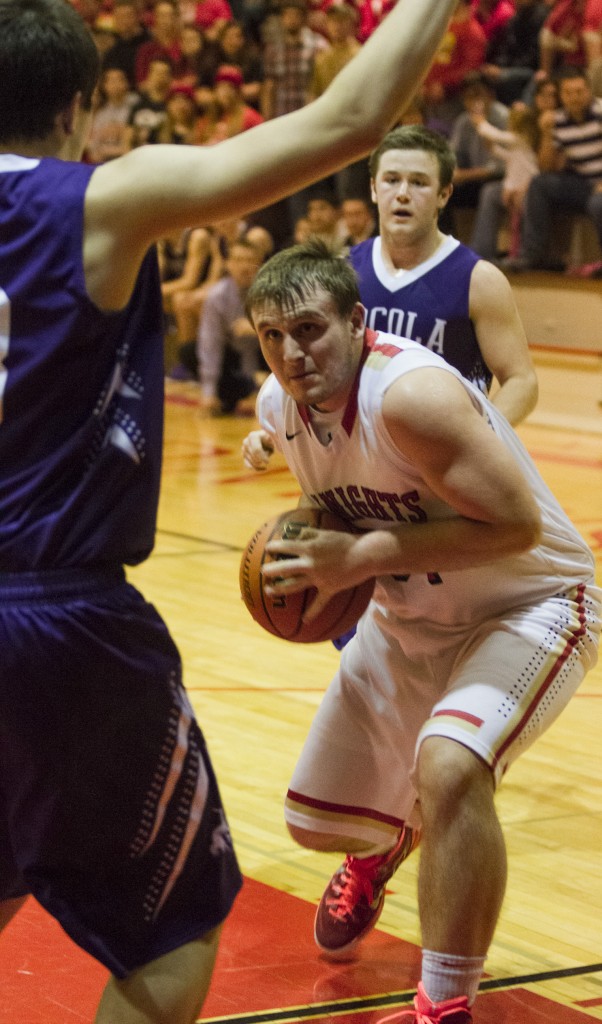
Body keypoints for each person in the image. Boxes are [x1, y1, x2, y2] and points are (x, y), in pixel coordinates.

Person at [0, 0, 460, 1020]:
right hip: (54, 623)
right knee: (170, 936)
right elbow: (348, 119)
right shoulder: (99, 201)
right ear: (81, 107)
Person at [241, 239, 601, 1024]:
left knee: (449, 768)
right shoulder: (279, 407)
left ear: (358, 323)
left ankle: (443, 1004)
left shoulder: (410, 395)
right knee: (314, 822)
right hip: (413, 612)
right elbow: (342, 508)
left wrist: (360, 555)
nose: (291, 354)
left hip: (531, 601)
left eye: (308, 330)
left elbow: (514, 527)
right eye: (272, 336)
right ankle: (382, 847)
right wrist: (306, 559)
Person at [353, 125, 538, 425]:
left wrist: (480, 440)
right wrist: (276, 430)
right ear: (374, 189)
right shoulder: (344, 271)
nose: (402, 194)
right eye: (391, 180)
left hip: (441, 460)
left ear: (443, 194)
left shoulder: (479, 280)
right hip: (365, 459)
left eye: (418, 183)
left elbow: (522, 381)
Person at [506, 68, 602, 271]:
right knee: (540, 184)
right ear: (561, 96)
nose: (574, 97)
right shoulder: (556, 120)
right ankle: (533, 256)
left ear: (589, 92)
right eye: (568, 93)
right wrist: (547, 134)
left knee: (598, 203)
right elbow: (546, 167)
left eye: (579, 92)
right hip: (583, 183)